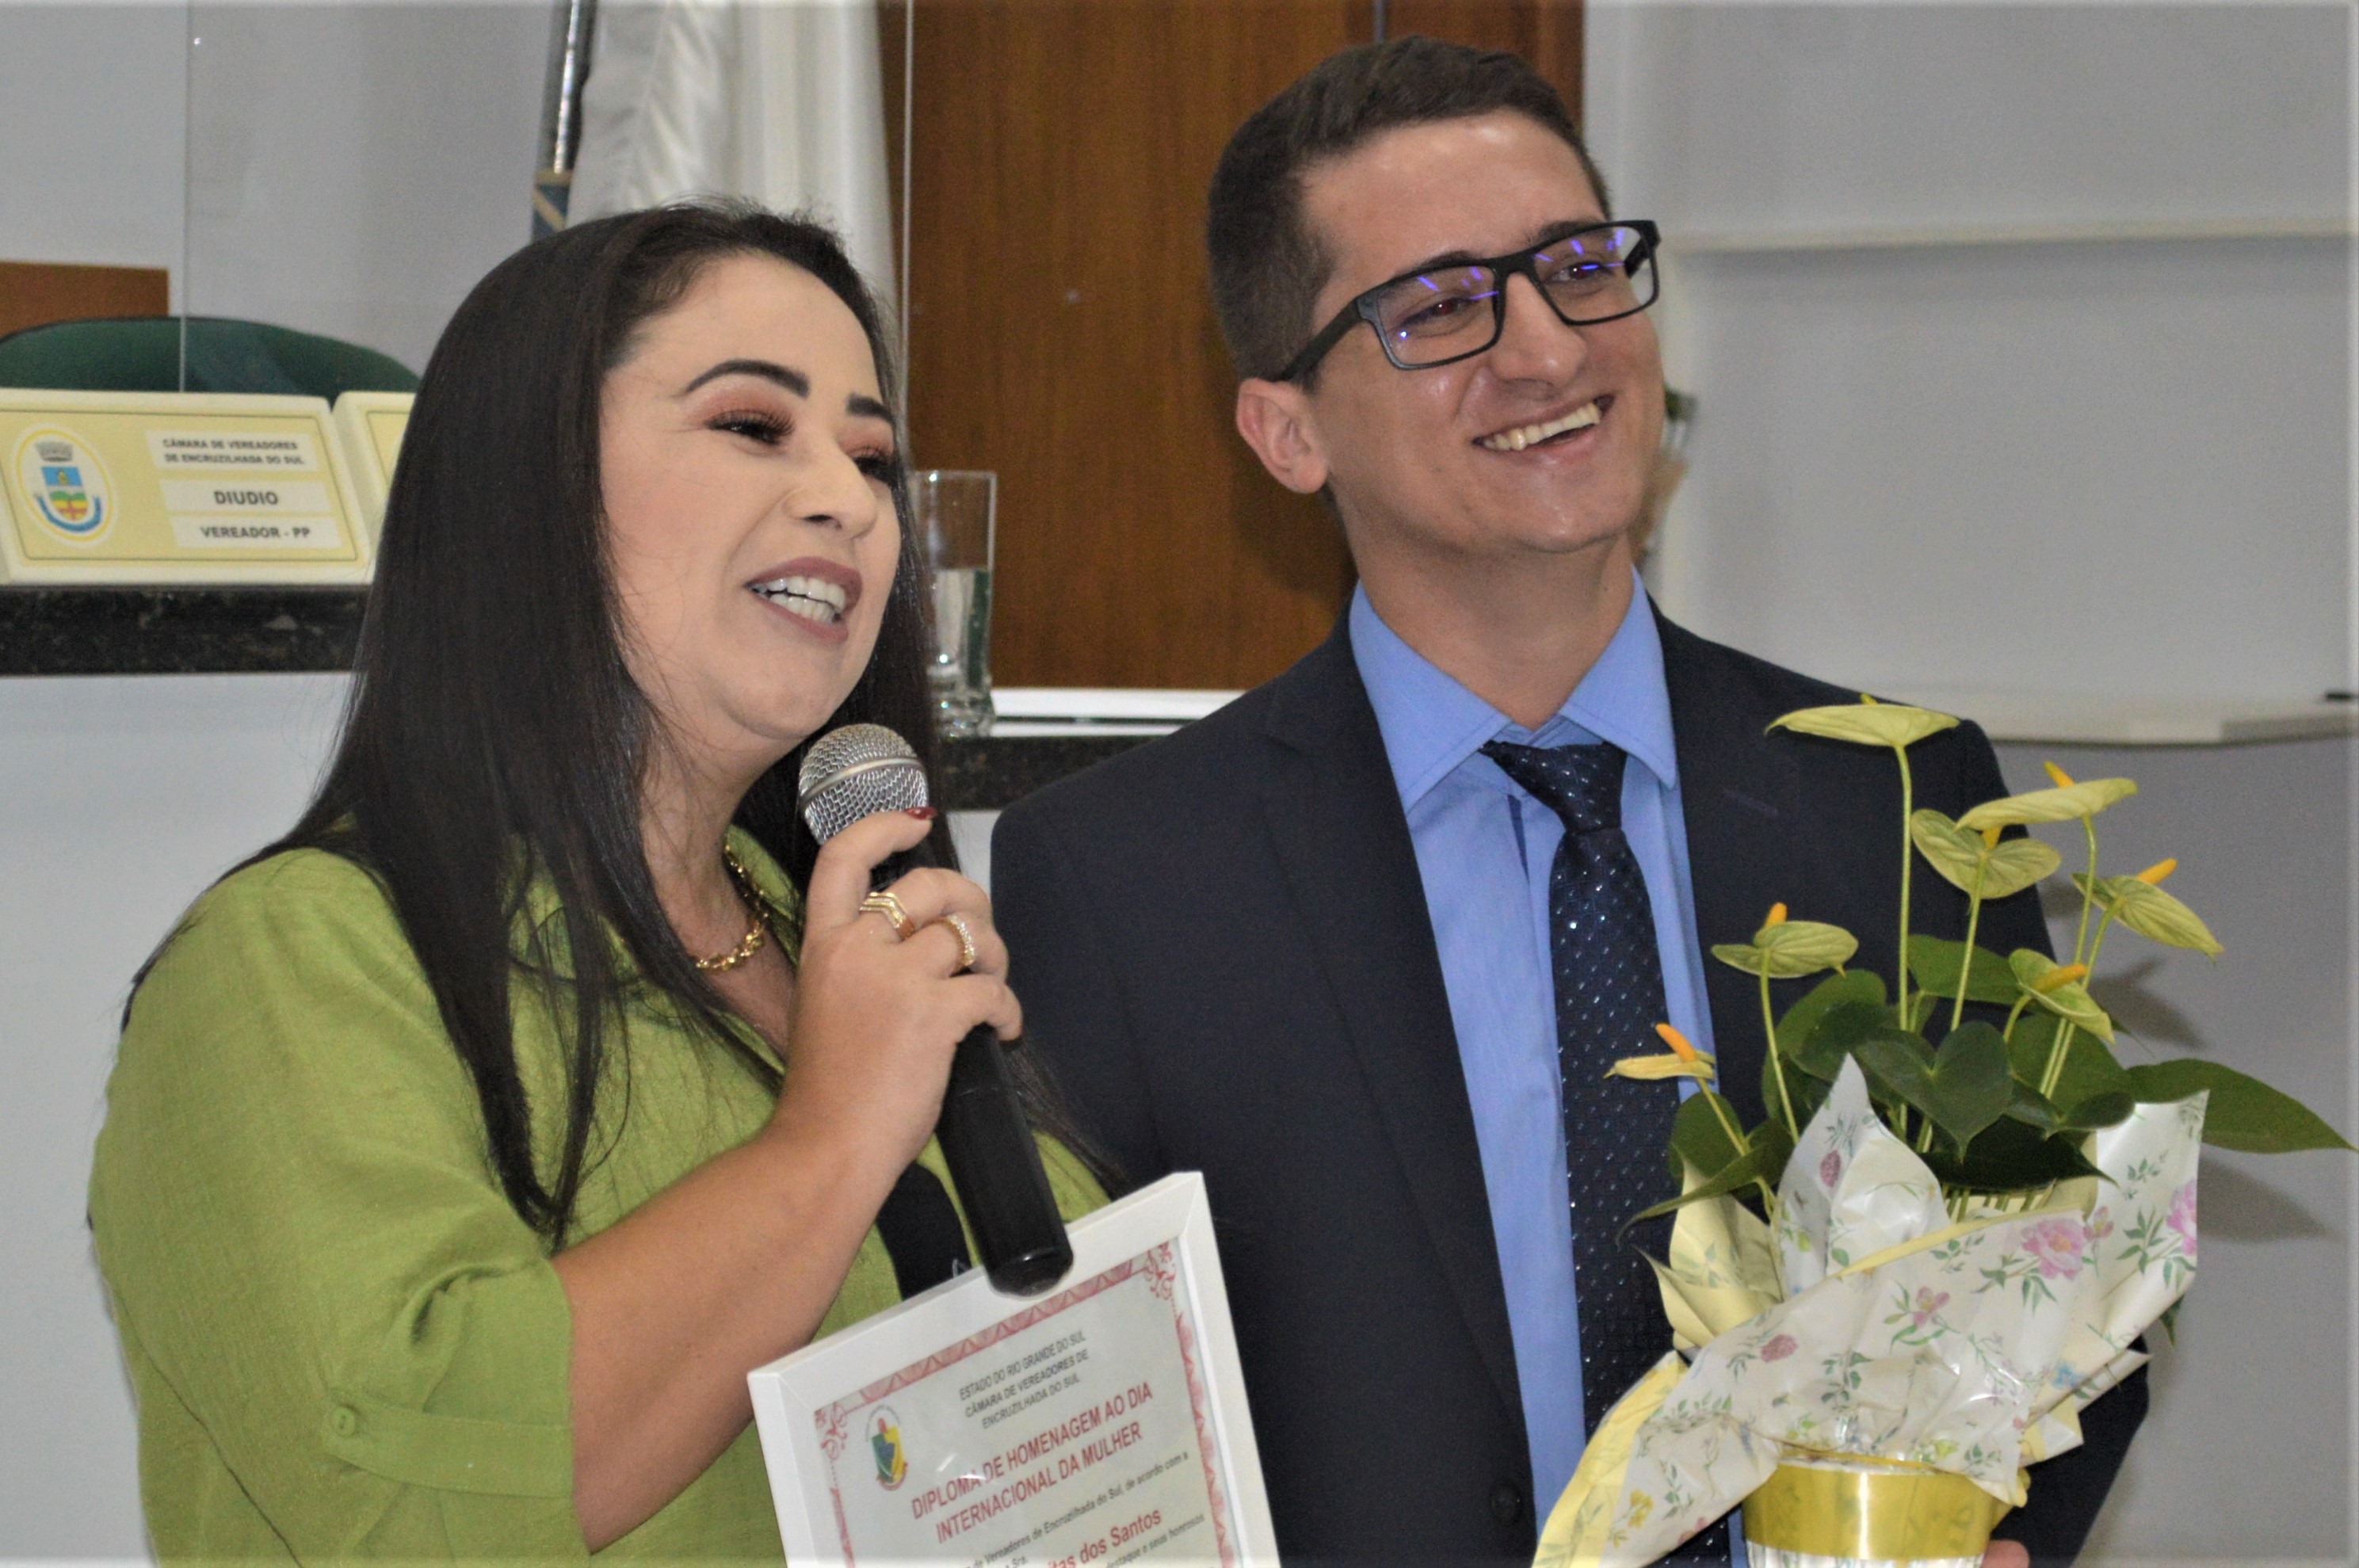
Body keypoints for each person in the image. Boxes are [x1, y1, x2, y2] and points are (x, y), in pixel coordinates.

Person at [991, 38, 2142, 1567]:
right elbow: (1074, 1427)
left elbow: (2071, 1284)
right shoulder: (1123, 879)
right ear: (1286, 433)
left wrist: (1990, 1544)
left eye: (1579, 268)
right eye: (1438, 307)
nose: (1544, 350)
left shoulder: (1892, 793)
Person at [90, 203, 1104, 1562]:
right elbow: (416, 1508)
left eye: (871, 456)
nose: (849, 499)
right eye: (753, 425)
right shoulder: (287, 966)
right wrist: (826, 1142)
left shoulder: (848, 945)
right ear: (532, 486)